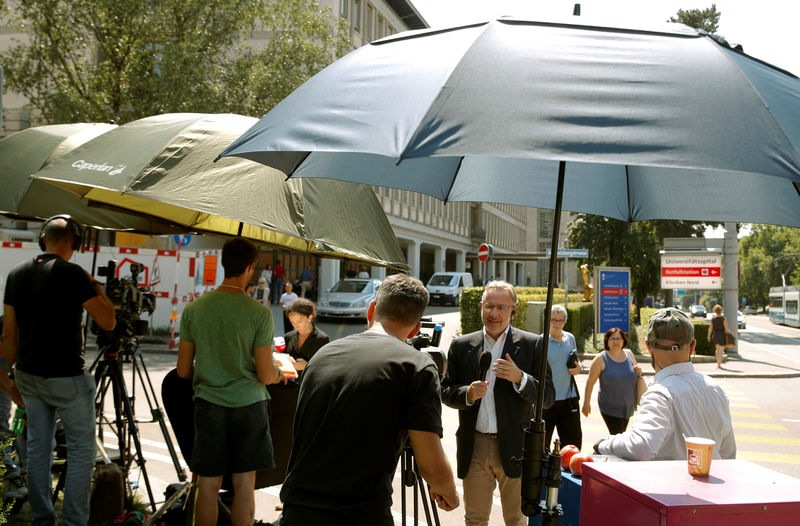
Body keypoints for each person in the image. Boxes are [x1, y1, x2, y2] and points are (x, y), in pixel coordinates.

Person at [277, 274, 458, 525]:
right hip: (360, 513)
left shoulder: (322, 355)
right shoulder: (416, 365)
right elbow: (433, 467)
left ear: (371, 309)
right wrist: (449, 492)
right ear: (416, 328)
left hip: (298, 510)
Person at [3, 215, 116, 526]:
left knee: (39, 449)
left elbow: (9, 336)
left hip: (28, 375)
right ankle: (74, 522)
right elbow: (108, 321)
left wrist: (10, 379)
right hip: (67, 378)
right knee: (81, 451)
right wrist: (92, 282)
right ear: (74, 243)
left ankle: (43, 520)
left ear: (43, 240)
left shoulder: (16, 274)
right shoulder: (74, 275)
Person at [177, 237, 286, 526]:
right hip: (250, 406)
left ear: (224, 264)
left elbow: (183, 371)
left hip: (208, 406)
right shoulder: (259, 314)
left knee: (208, 486)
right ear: (251, 267)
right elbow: (265, 374)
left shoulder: (194, 309)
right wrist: (277, 372)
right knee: (243, 486)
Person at [441, 280, 554, 526]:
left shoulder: (532, 344)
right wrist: (467, 394)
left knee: (516, 519)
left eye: (502, 308)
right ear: (481, 307)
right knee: (475, 519)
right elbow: (446, 391)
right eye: (489, 306)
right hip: (476, 445)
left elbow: (547, 397)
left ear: (514, 310)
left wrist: (520, 379)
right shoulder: (462, 345)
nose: (494, 314)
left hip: (516, 446)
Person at [594, 308, 736, 461]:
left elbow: (641, 446)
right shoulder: (716, 389)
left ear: (649, 346)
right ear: (692, 346)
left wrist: (603, 445)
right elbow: (728, 454)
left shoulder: (660, 394)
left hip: (671, 484)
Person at [582, 328, 647, 434]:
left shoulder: (629, 354)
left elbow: (636, 374)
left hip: (627, 406)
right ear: (607, 341)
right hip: (610, 407)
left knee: (619, 435)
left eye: (619, 338)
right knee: (617, 435)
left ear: (623, 341)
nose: (616, 341)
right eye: (612, 339)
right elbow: (590, 382)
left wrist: (639, 371)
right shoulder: (601, 358)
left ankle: (606, 449)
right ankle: (601, 449)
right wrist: (586, 403)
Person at [542, 304, 582, 450]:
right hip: (547, 401)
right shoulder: (541, 342)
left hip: (568, 399)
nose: (557, 323)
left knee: (572, 444)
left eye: (560, 320)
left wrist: (578, 368)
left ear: (565, 321)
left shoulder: (570, 338)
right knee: (542, 445)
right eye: (553, 320)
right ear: (548, 320)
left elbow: (576, 362)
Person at [284, 298, 329, 377]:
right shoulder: (288, 337)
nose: (296, 326)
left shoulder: (322, 339)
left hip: (309, 386)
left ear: (310, 317)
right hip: (288, 385)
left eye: (299, 321)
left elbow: (327, 369)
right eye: (292, 322)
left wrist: (307, 366)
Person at [707, 304, 731, 368]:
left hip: (715, 335)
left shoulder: (713, 319)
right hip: (722, 335)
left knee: (717, 350)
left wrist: (709, 336)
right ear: (721, 311)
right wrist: (730, 333)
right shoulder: (723, 318)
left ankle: (718, 363)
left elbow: (710, 328)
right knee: (721, 350)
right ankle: (719, 364)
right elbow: (726, 328)